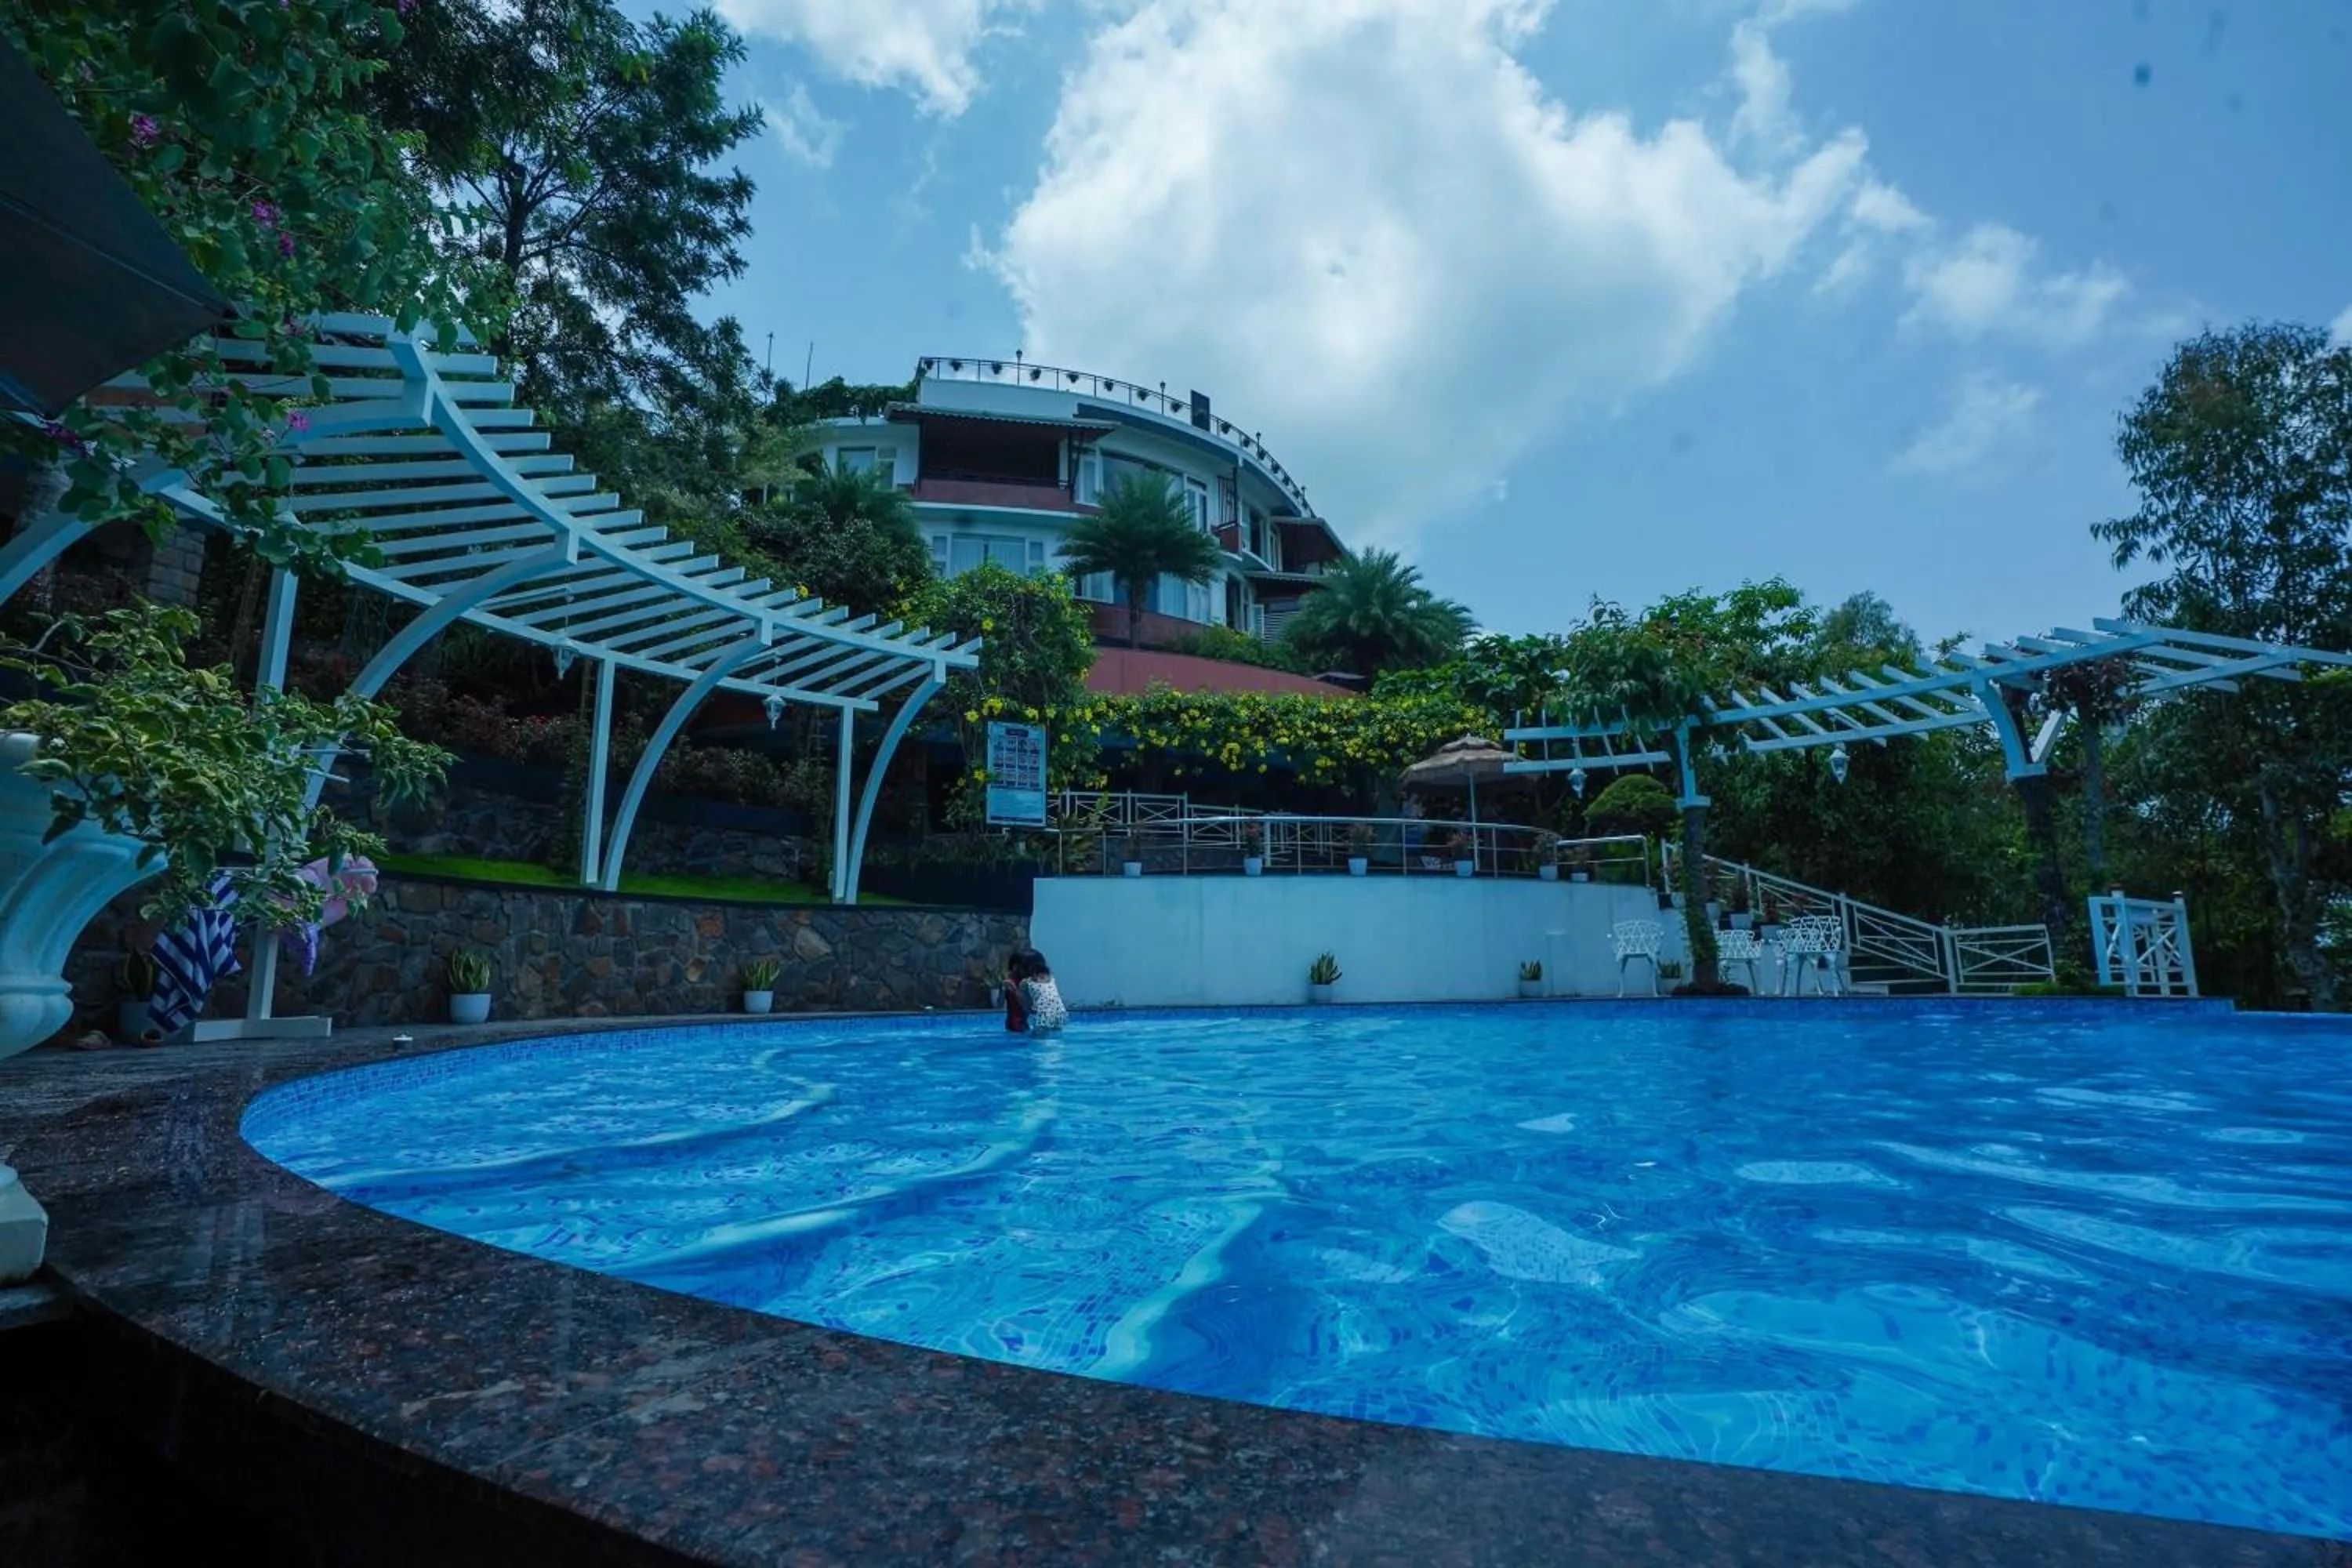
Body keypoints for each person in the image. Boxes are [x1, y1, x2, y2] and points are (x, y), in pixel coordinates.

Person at [1004, 947, 1067, 1035]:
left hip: (1023, 1025)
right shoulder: (1012, 983)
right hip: (1016, 1027)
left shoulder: (1028, 983)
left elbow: (1029, 1007)